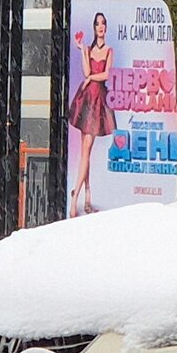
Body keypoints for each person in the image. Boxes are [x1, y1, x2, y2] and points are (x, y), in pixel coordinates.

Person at [67, 12, 116, 216]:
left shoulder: (109, 50)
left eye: (103, 23)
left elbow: (105, 74)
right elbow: (87, 72)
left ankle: (75, 197)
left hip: (97, 101)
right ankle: (85, 197)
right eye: (97, 24)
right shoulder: (88, 49)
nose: (100, 27)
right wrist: (81, 50)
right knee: (85, 151)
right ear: (94, 27)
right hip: (87, 99)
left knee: (86, 150)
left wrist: (90, 79)